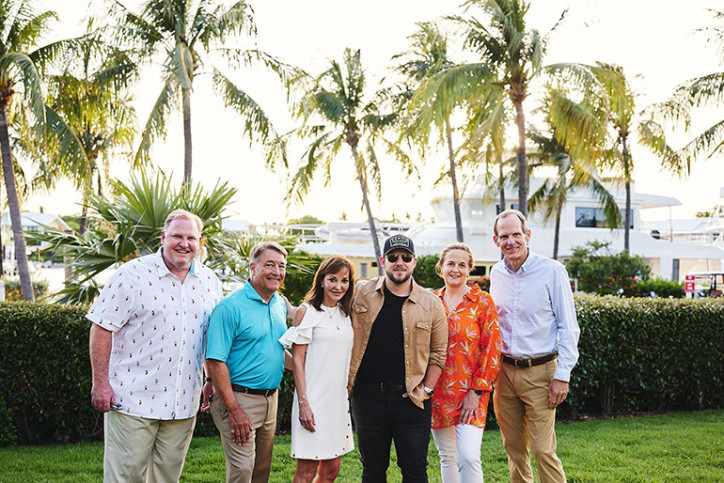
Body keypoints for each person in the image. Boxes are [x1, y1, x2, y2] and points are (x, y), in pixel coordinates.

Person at [87, 209, 223, 483]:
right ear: (163, 237)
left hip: (183, 403)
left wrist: (210, 379)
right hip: (132, 400)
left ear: (199, 242)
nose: (184, 243)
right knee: (126, 478)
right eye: (177, 236)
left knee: (167, 478)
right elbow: (101, 327)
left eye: (191, 238)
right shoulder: (131, 275)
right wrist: (100, 383)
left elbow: (208, 335)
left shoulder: (210, 281)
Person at [489, 209, 581, 483]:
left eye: (516, 234)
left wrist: (562, 376)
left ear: (527, 235)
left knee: (543, 450)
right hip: (504, 373)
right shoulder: (496, 273)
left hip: (541, 373)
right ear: (496, 241)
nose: (511, 241)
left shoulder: (552, 271)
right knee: (514, 449)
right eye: (504, 236)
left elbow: (568, 327)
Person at [348, 234, 448, 482]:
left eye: (406, 257)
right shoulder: (360, 292)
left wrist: (426, 390)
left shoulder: (432, 304)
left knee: (415, 471)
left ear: (414, 262)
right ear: (383, 261)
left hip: (411, 400)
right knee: (372, 470)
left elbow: (438, 354)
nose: (399, 262)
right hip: (367, 399)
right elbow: (328, 307)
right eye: (393, 257)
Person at [205, 241, 291, 483]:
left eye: (282, 266)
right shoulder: (229, 307)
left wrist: (310, 370)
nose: (277, 272)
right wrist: (234, 410)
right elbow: (216, 361)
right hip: (238, 398)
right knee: (242, 470)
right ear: (253, 268)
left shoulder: (278, 304)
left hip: (270, 399)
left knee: (261, 469)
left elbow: (276, 350)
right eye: (269, 265)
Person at [278, 255, 356, 483]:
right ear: (321, 280)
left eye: (344, 280)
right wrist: (303, 404)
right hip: (312, 401)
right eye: (333, 279)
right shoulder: (307, 312)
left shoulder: (346, 313)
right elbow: (298, 361)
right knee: (307, 471)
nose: (338, 286)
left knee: (331, 470)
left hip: (337, 403)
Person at [430, 243, 501, 483]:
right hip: (437, 391)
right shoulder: (431, 301)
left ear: (470, 269)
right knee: (447, 456)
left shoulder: (482, 302)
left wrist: (476, 391)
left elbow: (492, 349)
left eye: (462, 265)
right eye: (450, 263)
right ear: (441, 267)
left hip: (471, 393)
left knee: (469, 457)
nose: (456, 269)